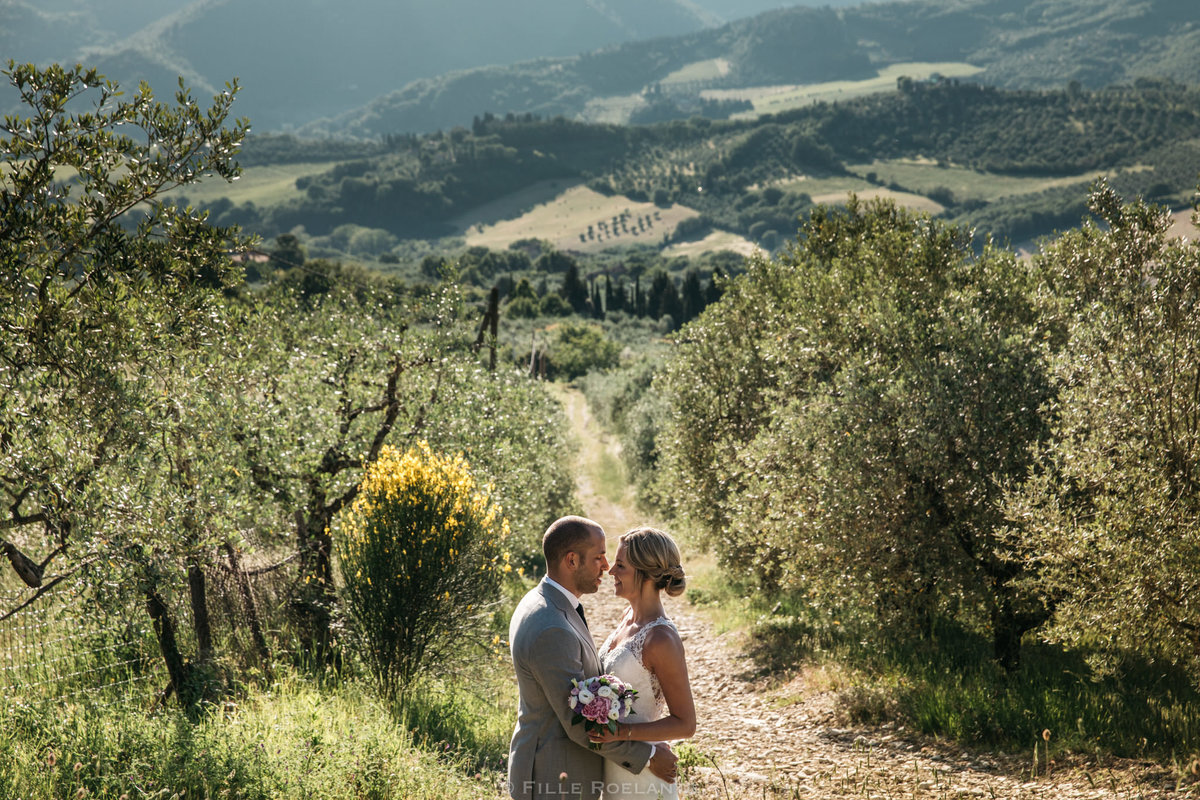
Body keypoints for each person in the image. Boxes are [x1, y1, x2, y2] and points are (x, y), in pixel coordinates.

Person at [508, 516, 678, 800]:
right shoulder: (552, 626)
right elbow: (577, 723)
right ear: (572, 560)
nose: (607, 566)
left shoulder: (543, 601)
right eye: (599, 557)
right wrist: (648, 755)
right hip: (554, 776)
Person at [588, 526, 695, 800]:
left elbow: (685, 724)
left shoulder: (661, 639)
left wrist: (620, 732)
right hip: (616, 764)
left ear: (646, 574)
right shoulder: (627, 617)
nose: (611, 571)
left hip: (644, 774)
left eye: (620, 565)